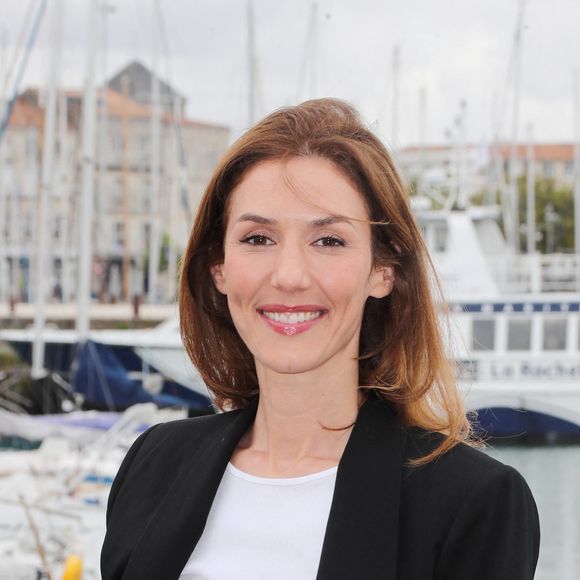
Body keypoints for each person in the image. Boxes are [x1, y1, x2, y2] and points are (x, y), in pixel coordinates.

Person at [101, 98, 540, 580]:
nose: (289, 276)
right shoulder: (154, 465)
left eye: (328, 240)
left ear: (383, 270)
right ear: (218, 268)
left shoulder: (470, 502)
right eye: (258, 239)